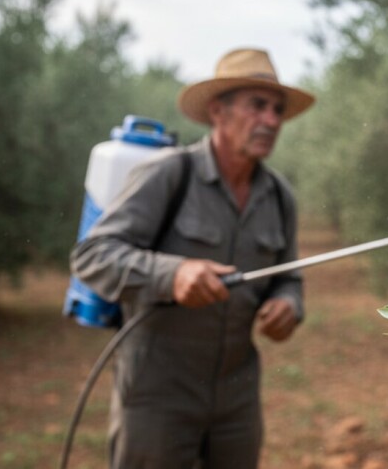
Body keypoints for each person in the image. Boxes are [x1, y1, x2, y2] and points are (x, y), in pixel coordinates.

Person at [70, 48, 314, 468]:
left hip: (237, 397)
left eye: (277, 110)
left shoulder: (279, 197)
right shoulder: (168, 174)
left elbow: (288, 278)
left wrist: (289, 305)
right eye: (258, 105)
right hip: (155, 393)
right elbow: (93, 255)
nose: (272, 121)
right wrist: (173, 273)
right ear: (218, 111)